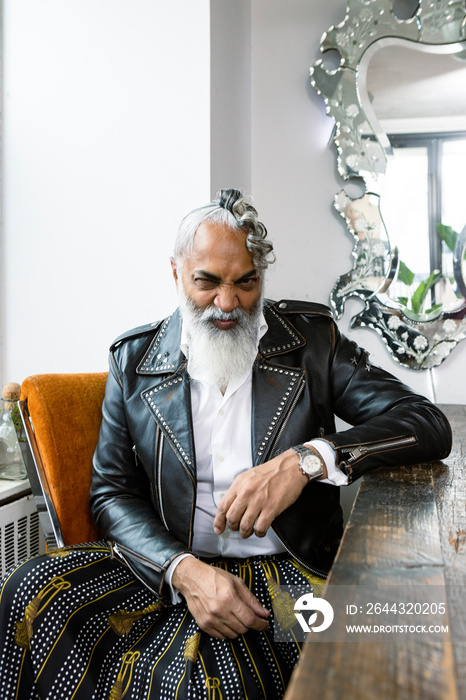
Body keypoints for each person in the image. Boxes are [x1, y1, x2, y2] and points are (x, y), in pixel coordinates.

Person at [0, 189, 452, 699]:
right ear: (176, 273)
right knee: (29, 593)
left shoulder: (312, 342)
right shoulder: (134, 360)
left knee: (209, 676)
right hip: (169, 564)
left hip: (287, 571)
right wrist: (184, 571)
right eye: (207, 283)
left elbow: (427, 423)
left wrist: (305, 461)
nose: (227, 303)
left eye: (246, 282)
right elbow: (111, 493)